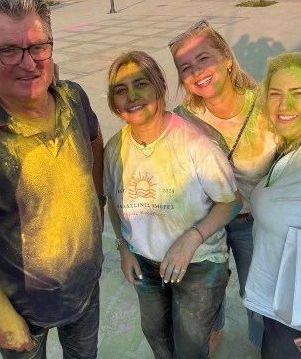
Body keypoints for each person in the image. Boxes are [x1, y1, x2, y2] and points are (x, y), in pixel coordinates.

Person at [0, 0, 104, 359]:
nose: (29, 64)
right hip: (22, 311)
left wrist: (98, 200)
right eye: (9, 51)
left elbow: (94, 140)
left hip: (86, 287)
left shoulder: (73, 97)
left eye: (37, 47)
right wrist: (0, 317)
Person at [103, 50, 242, 358]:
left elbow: (231, 202)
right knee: (156, 336)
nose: (132, 96)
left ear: (161, 86)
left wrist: (191, 239)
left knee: (190, 347)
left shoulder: (196, 144)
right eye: (121, 90)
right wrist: (124, 246)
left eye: (141, 84)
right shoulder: (115, 149)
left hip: (199, 265)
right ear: (114, 103)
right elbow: (113, 199)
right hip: (146, 264)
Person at [169, 19, 278, 352]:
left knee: (258, 294)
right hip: (206, 222)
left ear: (227, 58)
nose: (197, 71)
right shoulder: (182, 117)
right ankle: (213, 333)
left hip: (253, 223)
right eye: (185, 67)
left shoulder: (267, 105)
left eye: (204, 58)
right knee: (206, 292)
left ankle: (265, 345)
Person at [244, 52, 301, 359]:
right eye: (275, 94)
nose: (283, 105)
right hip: (281, 307)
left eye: (298, 93)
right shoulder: (296, 145)